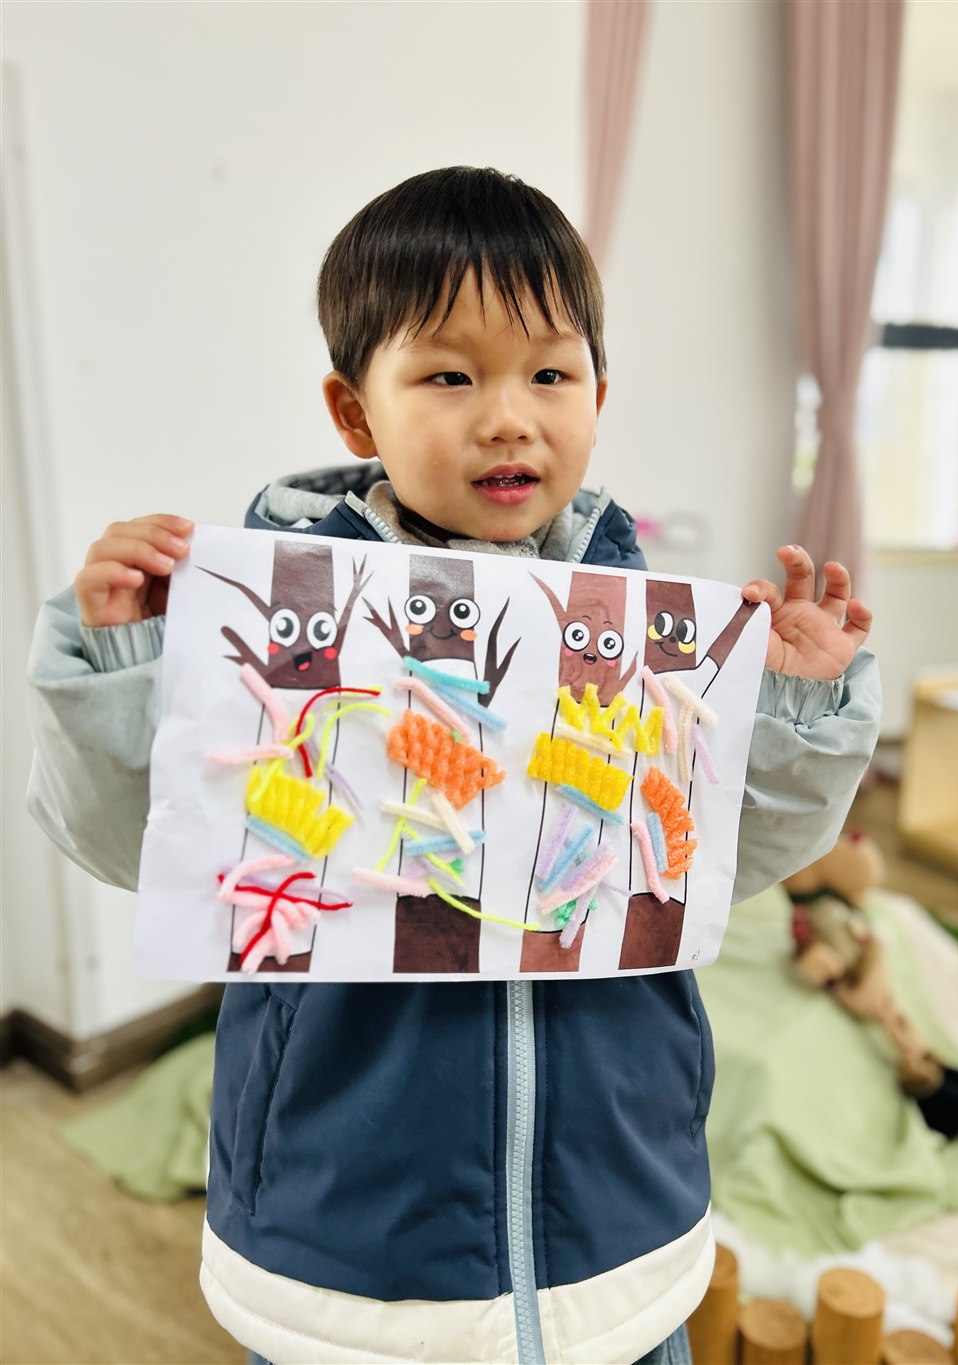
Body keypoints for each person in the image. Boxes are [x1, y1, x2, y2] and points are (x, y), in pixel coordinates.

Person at [27, 166, 880, 1365]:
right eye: (449, 376)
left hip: (618, 1229)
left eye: (549, 375)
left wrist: (796, 701)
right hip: (350, 1244)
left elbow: (726, 858)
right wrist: (121, 657)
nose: (508, 417)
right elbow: (141, 848)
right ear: (354, 413)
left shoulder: (642, 629)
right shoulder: (275, 629)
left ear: (598, 396)